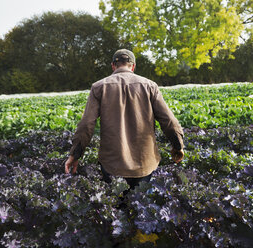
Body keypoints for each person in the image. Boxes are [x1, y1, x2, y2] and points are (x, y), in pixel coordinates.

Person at [65, 49, 184, 190]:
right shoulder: (150, 86)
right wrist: (178, 146)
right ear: (133, 66)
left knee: (115, 208)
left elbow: (86, 125)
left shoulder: (98, 87)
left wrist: (75, 154)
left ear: (113, 66)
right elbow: (168, 121)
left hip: (112, 163)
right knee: (141, 206)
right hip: (144, 163)